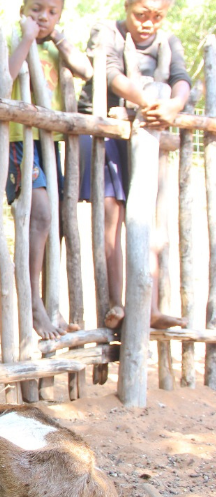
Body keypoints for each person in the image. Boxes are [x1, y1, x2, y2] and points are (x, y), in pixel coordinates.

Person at [78, 0, 190, 330]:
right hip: (107, 133)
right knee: (113, 212)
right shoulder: (106, 32)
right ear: (128, 6)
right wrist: (150, 102)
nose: (148, 23)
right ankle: (116, 301)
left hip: (148, 133)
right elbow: (110, 73)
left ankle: (150, 307)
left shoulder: (169, 43)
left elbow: (182, 79)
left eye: (157, 16)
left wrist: (174, 105)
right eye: (141, 14)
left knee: (149, 218)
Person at [7, 0, 92, 340]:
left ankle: (47, 305)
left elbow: (87, 71)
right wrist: (27, 39)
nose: (43, 17)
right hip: (21, 141)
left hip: (50, 143)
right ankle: (32, 305)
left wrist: (58, 38)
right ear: (22, 10)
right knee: (39, 213)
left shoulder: (58, 48)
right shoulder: (14, 38)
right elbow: (4, 80)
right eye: (36, 9)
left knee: (52, 223)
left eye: (52, 12)